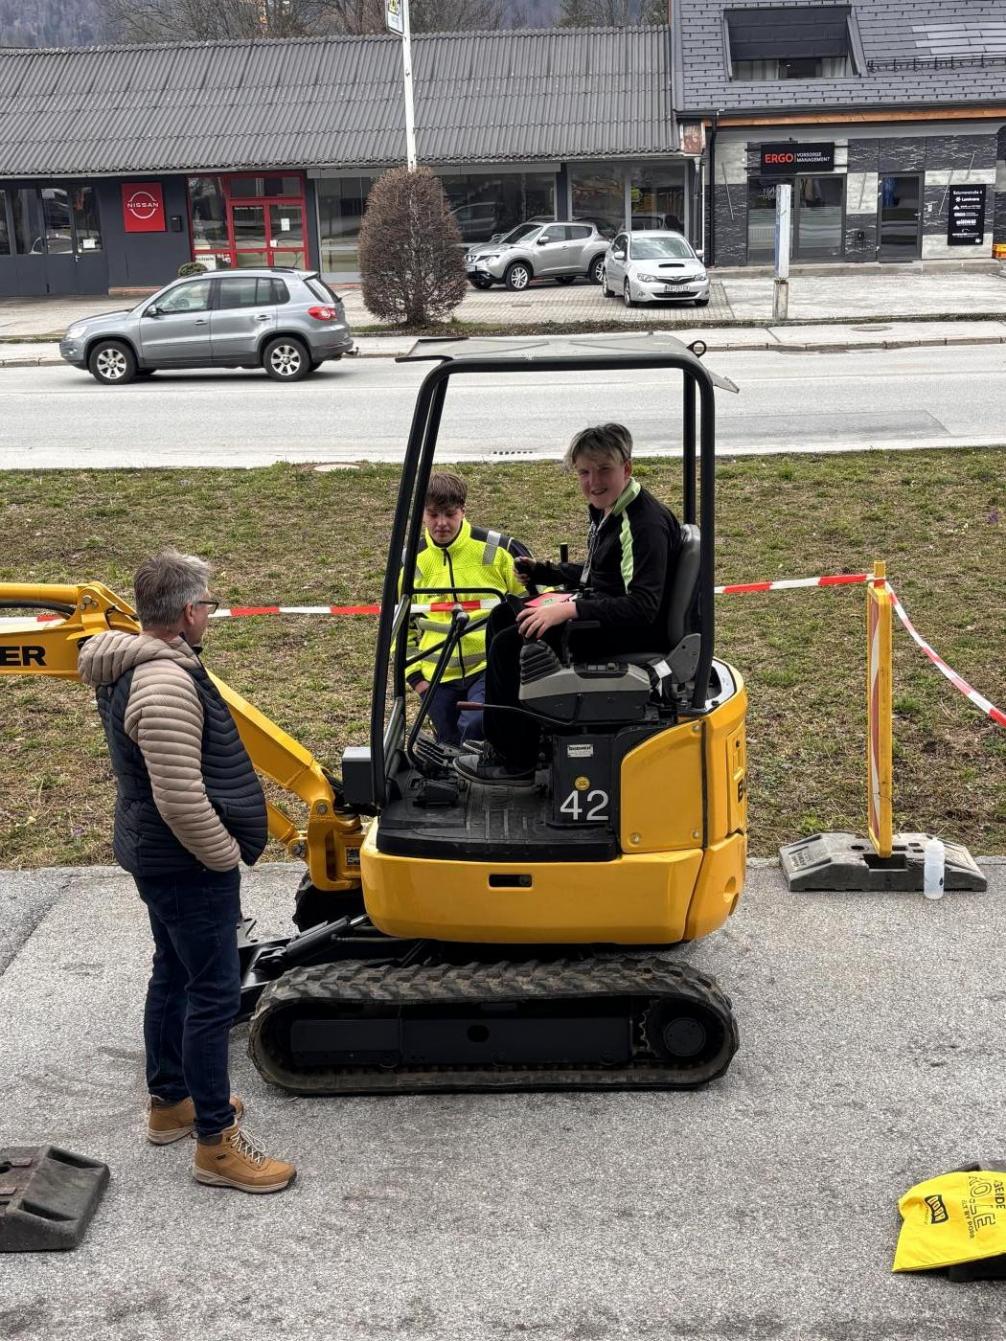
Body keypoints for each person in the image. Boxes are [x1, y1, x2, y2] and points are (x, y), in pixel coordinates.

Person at [77, 549, 296, 1194]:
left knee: (172, 970)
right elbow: (178, 797)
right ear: (188, 611)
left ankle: (170, 1102)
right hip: (186, 861)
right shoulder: (167, 683)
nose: (212, 614)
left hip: (157, 854)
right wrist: (223, 856)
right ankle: (214, 1145)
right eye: (209, 605)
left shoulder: (142, 665)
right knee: (213, 993)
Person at [456, 423, 682, 786]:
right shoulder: (612, 509)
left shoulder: (643, 524)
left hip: (628, 632)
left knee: (509, 645)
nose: (593, 481)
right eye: (584, 472)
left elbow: (642, 607)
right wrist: (547, 573)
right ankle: (508, 737)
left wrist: (566, 609)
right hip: (604, 615)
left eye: (604, 469)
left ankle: (516, 761)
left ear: (627, 468)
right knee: (503, 614)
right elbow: (604, 574)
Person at [401, 470, 530, 746]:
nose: (442, 523)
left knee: (475, 727)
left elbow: (533, 602)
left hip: (487, 670)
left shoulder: (499, 550)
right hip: (435, 679)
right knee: (448, 748)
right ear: (422, 514)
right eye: (434, 514)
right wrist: (416, 680)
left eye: (450, 514)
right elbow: (401, 626)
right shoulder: (412, 561)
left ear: (463, 510)